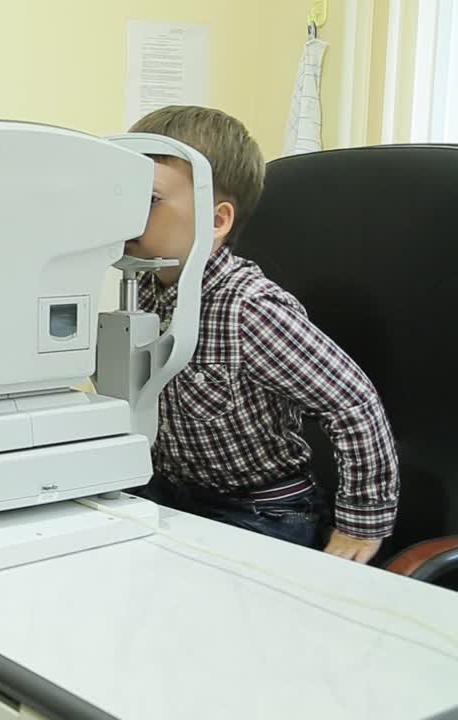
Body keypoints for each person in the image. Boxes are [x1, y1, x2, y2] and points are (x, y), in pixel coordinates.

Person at [124, 105, 400, 563]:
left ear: (216, 221)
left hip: (261, 508)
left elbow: (352, 402)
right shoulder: (143, 290)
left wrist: (361, 525)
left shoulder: (249, 309)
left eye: (148, 199)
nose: (126, 212)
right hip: (175, 493)